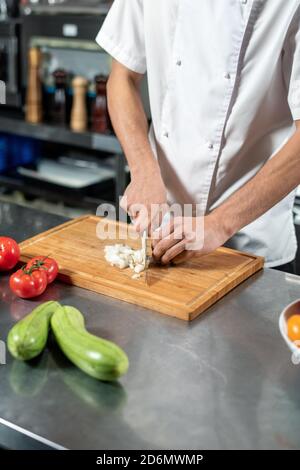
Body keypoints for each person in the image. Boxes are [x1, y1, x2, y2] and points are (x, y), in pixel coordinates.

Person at [96, 0, 300, 273]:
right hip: (162, 230)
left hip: (252, 242)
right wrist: (143, 171)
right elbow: (122, 76)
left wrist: (219, 224)